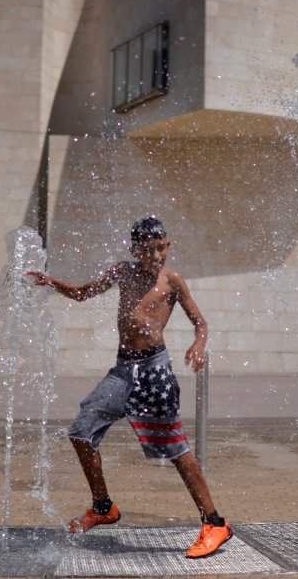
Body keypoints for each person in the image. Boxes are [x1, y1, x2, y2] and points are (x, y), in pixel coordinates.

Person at [26, 217, 231, 558]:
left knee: (176, 451)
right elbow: (81, 293)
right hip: (122, 371)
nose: (156, 256)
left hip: (155, 373)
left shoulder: (173, 281)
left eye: (162, 247)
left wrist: (199, 344)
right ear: (135, 249)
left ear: (169, 245)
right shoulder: (122, 272)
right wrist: (50, 282)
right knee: (81, 431)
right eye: (148, 249)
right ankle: (103, 506)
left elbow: (200, 322)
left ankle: (215, 523)